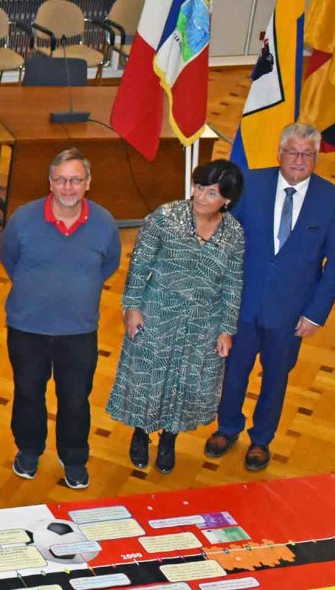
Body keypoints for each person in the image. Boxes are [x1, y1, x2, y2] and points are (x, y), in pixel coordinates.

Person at [207, 123, 335, 471]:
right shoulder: (250, 186)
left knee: (276, 376)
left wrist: (316, 314)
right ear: (279, 154)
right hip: (243, 304)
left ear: (316, 158)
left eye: (307, 154)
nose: (299, 160)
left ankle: (261, 440)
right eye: (293, 152)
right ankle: (227, 428)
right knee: (234, 371)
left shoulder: (333, 201)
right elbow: (224, 242)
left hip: (291, 313)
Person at [107, 161, 245, 474]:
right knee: (148, 378)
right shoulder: (164, 217)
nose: (201, 196)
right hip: (156, 314)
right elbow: (139, 266)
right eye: (199, 187)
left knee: (186, 381)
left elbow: (233, 283)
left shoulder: (234, 233)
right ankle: (141, 434)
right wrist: (132, 308)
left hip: (203, 323)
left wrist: (226, 329)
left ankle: (170, 438)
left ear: (227, 199)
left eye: (212, 192)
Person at [1, 148, 121, 490]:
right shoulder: (23, 220)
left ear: (88, 183)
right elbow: (9, 260)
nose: (68, 187)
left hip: (79, 330)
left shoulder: (104, 223)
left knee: (75, 397)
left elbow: (108, 265)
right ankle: (28, 448)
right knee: (27, 392)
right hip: (28, 327)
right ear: (50, 182)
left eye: (75, 180)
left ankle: (74, 457)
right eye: (61, 180)